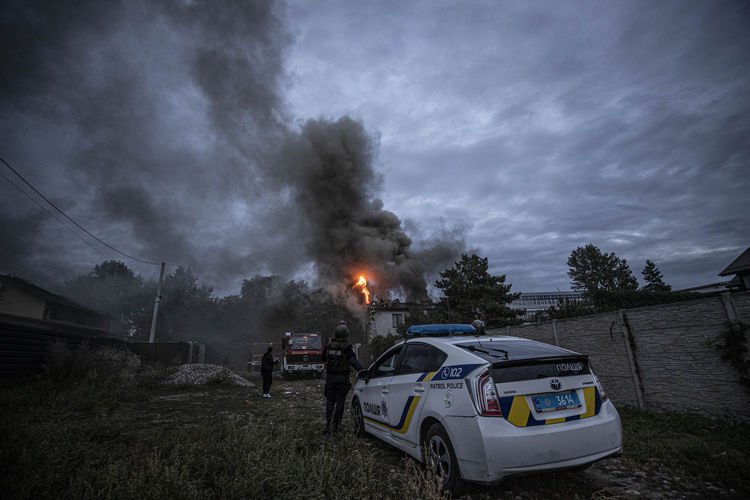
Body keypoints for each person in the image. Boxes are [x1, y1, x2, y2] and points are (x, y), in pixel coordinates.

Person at [322, 321, 364, 434]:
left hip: (330, 378)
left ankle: (328, 424)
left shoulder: (328, 345)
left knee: (330, 401)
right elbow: (353, 361)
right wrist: (363, 371)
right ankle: (336, 425)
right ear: (346, 334)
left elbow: (322, 358)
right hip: (342, 378)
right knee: (340, 401)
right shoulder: (347, 346)